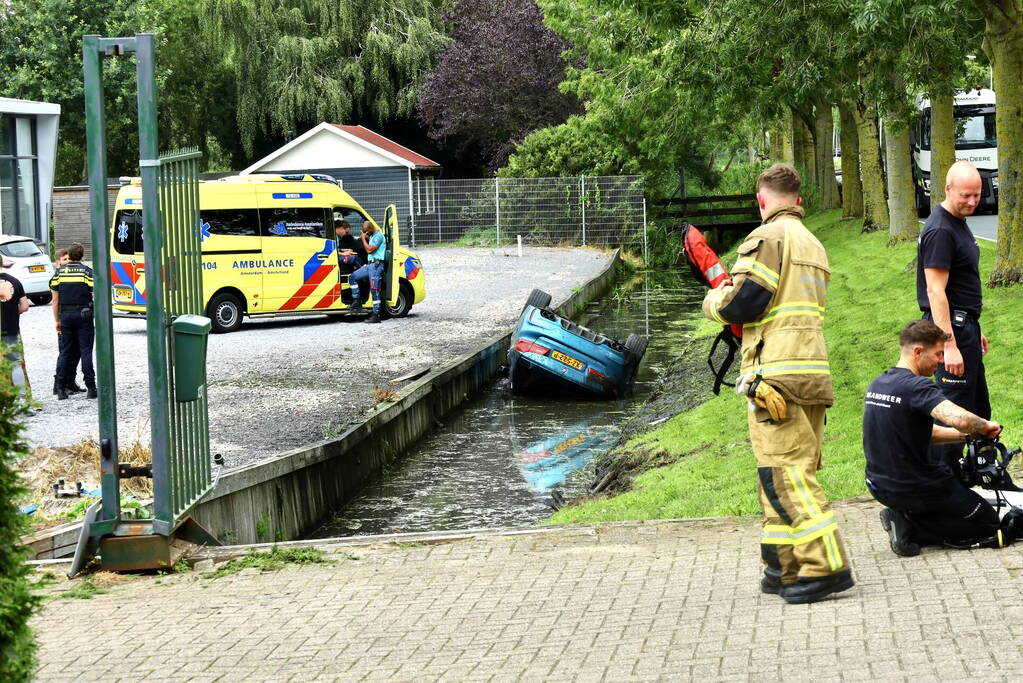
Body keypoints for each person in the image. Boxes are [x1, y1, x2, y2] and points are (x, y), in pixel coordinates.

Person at [703, 163, 852, 604]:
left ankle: (825, 566)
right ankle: (782, 566)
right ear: (799, 199)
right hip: (811, 372)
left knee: (788, 475)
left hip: (776, 377)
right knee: (777, 474)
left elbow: (746, 301)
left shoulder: (768, 238)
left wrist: (714, 301)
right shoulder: (814, 243)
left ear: (762, 201)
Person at [864, 320, 1011, 556]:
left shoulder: (880, 383)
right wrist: (984, 426)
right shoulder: (917, 387)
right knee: (989, 523)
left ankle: (904, 514)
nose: (941, 361)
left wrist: (966, 437)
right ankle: (910, 528)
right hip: (919, 488)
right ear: (918, 351)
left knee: (948, 507)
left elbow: (923, 433)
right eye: (938, 354)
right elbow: (960, 419)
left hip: (880, 485)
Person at [916, 161, 988, 475]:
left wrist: (973, 326)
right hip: (950, 333)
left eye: (977, 195)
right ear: (947, 189)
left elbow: (959, 283)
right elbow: (935, 292)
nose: (972, 202)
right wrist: (949, 345)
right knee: (953, 413)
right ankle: (937, 484)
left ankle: (977, 474)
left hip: (964, 327)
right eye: (965, 195)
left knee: (978, 409)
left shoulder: (957, 221)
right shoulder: (941, 230)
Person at [49, 243, 96, 400]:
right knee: (86, 351)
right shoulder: (87, 272)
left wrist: (57, 320)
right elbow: (95, 293)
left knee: (66, 352)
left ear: (70, 255)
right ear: (82, 256)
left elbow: (55, 301)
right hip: (84, 315)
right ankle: (91, 388)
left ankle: (61, 389)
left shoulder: (59, 273)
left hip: (66, 316)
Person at [52, 248, 84, 396]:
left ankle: (70, 381)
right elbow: (55, 302)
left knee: (76, 352)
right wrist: (57, 320)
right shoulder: (57, 277)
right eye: (64, 260)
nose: (67, 262)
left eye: (69, 259)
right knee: (65, 352)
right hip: (64, 319)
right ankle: (59, 383)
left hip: (69, 318)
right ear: (58, 262)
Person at [0, 261, 31, 399]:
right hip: (10, 329)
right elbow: (24, 306)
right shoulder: (15, 281)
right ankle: (21, 400)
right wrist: (11, 312)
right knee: (15, 364)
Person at [349, 221, 386, 324]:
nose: (364, 233)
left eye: (365, 231)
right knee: (353, 277)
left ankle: (376, 315)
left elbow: (370, 250)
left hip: (376, 266)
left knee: (375, 290)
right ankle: (356, 300)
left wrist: (364, 239)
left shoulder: (378, 236)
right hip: (370, 265)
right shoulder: (373, 236)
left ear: (369, 229)